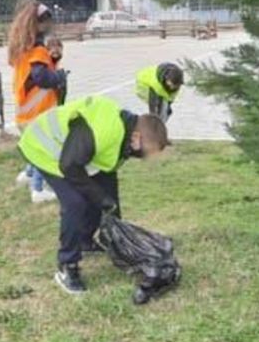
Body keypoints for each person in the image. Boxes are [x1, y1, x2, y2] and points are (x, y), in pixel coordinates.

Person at [18, 95, 169, 294]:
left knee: (100, 194)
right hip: (43, 147)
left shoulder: (123, 135)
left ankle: (85, 241)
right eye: (146, 151)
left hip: (71, 153)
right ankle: (67, 266)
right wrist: (99, 197)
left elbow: (108, 182)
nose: (143, 157)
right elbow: (69, 167)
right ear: (136, 138)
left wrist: (119, 233)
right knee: (76, 203)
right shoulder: (103, 132)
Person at [8, 0, 67, 203]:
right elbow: (41, 77)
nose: (51, 26)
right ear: (39, 24)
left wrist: (54, 61)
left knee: (35, 147)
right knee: (45, 150)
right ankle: (38, 190)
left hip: (25, 111)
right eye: (48, 22)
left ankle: (28, 174)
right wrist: (59, 77)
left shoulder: (24, 48)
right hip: (38, 112)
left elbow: (32, 76)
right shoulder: (37, 50)